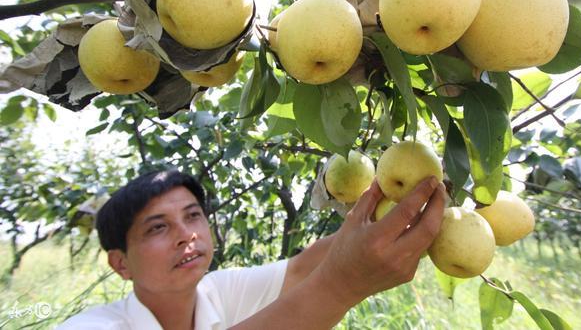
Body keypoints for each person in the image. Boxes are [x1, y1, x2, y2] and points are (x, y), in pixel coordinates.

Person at [57, 168, 446, 329]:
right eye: (158, 227)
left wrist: (388, 217)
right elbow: (324, 279)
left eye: (193, 216)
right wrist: (341, 286)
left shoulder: (219, 291)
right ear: (120, 263)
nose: (185, 235)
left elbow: (300, 270)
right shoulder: (91, 326)